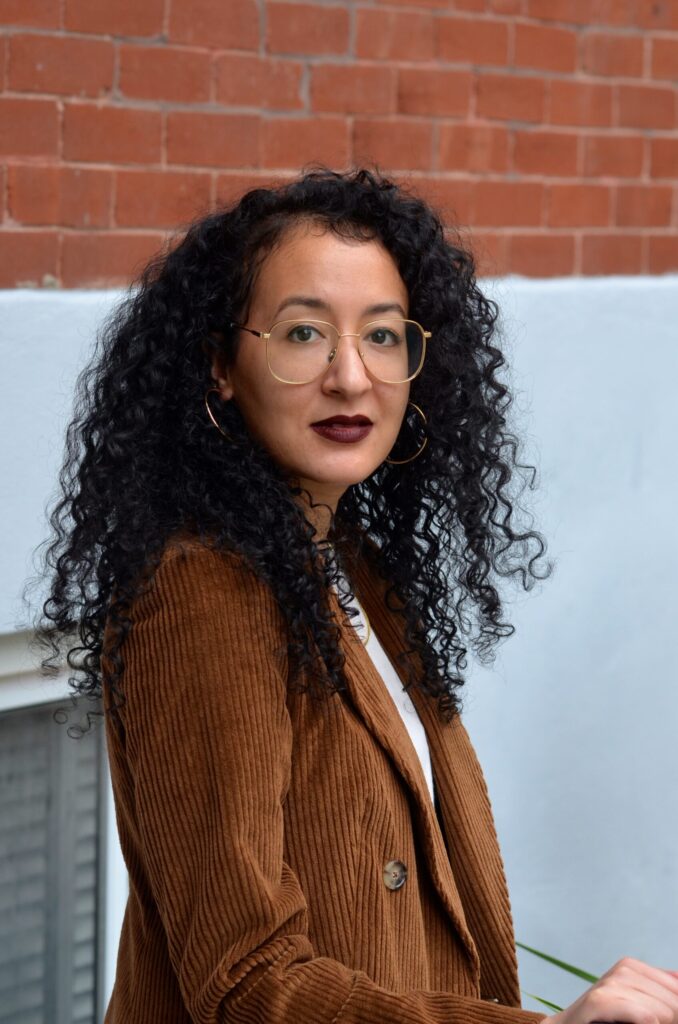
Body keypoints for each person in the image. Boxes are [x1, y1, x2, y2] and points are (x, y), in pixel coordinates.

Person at [37, 168, 678, 1023]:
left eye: (382, 336)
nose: (350, 376)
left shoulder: (350, 561)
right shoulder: (202, 589)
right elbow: (243, 985)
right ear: (222, 364)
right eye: (303, 333)